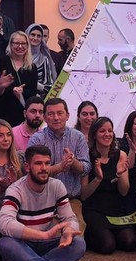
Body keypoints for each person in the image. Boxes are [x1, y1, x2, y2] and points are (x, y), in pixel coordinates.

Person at [0, 145, 97, 261]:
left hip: (46, 245)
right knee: (5, 244)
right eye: (38, 163)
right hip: (23, 244)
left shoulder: (57, 186)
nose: (44, 168)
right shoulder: (15, 190)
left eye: (47, 163)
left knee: (78, 244)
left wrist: (68, 231)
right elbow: (4, 224)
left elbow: (69, 218)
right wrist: (43, 235)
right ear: (27, 167)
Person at [29, 98, 91, 229]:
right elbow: (31, 171)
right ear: (44, 117)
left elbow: (86, 168)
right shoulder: (37, 139)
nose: (56, 118)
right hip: (41, 199)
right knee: (48, 236)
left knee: (76, 234)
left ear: (68, 115)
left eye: (60, 113)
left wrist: (73, 163)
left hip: (71, 199)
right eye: (51, 114)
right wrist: (60, 167)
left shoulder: (78, 137)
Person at [81, 117, 135, 254]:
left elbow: (124, 191)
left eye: (110, 131)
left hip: (115, 208)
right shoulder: (86, 155)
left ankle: (109, 233)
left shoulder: (121, 155)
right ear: (94, 134)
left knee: (130, 242)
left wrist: (119, 175)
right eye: (102, 131)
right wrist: (98, 179)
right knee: (107, 245)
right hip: (94, 209)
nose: (107, 134)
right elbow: (83, 194)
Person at [0, 119, 25, 225]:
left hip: (19, 216)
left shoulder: (20, 158)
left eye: (8, 135)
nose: (6, 139)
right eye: (0, 135)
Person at [0, 30, 38, 126]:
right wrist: (11, 89)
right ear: (11, 44)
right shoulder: (1, 62)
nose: (20, 46)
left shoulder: (32, 67)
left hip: (22, 112)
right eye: (17, 43)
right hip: (3, 111)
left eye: (23, 43)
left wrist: (22, 92)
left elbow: (33, 91)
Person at [26, 23, 57, 96]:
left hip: (39, 100)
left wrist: (35, 85)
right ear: (27, 35)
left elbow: (49, 86)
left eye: (39, 36)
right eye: (33, 35)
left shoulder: (44, 59)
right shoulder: (20, 57)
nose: (35, 38)